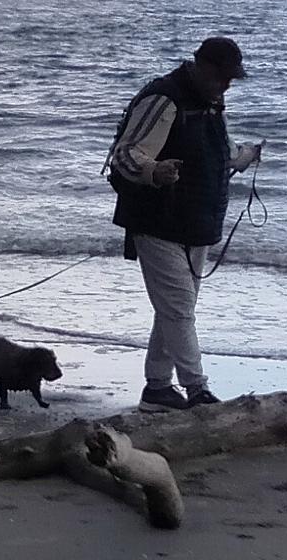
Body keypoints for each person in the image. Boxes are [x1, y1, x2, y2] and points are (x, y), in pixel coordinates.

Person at [106, 34, 262, 409]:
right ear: (203, 66)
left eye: (231, 79)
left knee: (176, 309)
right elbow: (124, 155)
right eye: (223, 76)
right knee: (177, 309)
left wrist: (246, 156)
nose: (227, 85)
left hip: (197, 223)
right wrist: (154, 171)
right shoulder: (163, 98)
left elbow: (220, 155)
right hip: (157, 222)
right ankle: (197, 390)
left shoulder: (211, 102)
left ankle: (158, 388)